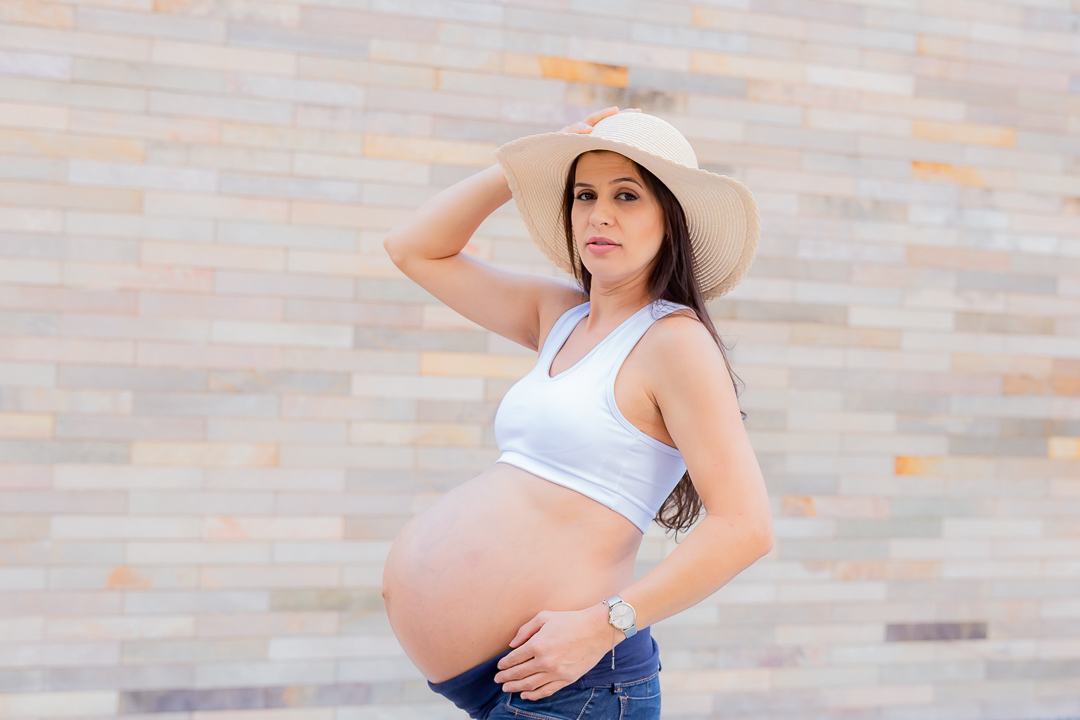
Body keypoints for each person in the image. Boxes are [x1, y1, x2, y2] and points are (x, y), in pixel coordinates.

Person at [380, 106, 773, 720]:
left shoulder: (674, 342)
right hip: (518, 683)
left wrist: (604, 626)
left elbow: (745, 527)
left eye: (627, 195)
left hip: (578, 685)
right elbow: (413, 249)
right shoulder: (559, 316)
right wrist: (523, 170)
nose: (600, 214)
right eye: (583, 195)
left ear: (672, 220)